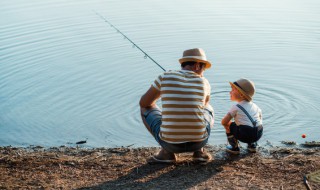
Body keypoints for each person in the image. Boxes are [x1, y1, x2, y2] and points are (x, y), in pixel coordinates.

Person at [139, 48, 214, 163]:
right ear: (198, 66)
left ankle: (166, 153)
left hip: (170, 144)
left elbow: (144, 103)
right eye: (204, 69)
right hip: (199, 141)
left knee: (145, 108)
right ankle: (199, 151)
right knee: (208, 108)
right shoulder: (204, 82)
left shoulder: (164, 76)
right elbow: (203, 105)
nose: (203, 73)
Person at [221, 78, 263, 154]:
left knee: (228, 124)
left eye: (233, 90)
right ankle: (252, 145)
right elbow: (260, 119)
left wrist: (230, 124)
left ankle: (234, 147)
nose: (230, 92)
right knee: (251, 124)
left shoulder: (236, 107)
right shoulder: (256, 106)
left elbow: (224, 122)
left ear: (241, 94)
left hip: (245, 134)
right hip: (259, 133)